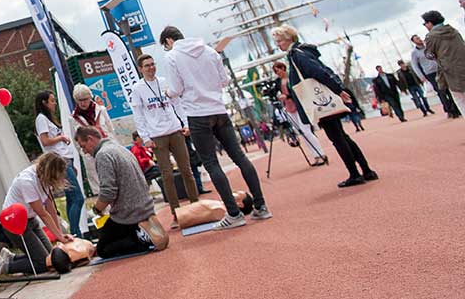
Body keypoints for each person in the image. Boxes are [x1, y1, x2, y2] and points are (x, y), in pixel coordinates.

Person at [160, 25, 271, 229]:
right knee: (239, 157)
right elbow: (224, 80)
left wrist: (168, 93)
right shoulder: (209, 50)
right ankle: (261, 205)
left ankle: (233, 213)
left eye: (165, 46)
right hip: (219, 109)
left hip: (196, 113)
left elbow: (176, 89)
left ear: (168, 41)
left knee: (211, 163)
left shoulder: (172, 57)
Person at [272, 26, 378, 188]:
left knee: (337, 138)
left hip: (320, 101)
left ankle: (355, 174)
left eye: (279, 41)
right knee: (342, 136)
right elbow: (322, 70)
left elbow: (318, 72)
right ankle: (366, 170)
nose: (278, 44)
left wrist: (338, 90)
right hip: (324, 98)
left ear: (288, 39)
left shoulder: (297, 55)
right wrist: (338, 88)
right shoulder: (303, 52)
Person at [74, 126, 168, 257]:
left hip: (127, 213)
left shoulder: (103, 155)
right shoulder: (118, 147)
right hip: (145, 206)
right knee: (109, 235)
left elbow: (108, 192)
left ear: (90, 139)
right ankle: (140, 231)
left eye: (83, 146)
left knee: (103, 250)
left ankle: (141, 239)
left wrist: (97, 209)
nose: (84, 151)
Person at [130, 54, 199, 228]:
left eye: (153, 64)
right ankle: (176, 213)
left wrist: (185, 123)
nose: (151, 68)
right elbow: (138, 116)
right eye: (147, 65)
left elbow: (177, 104)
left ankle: (196, 206)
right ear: (140, 69)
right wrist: (145, 138)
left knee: (186, 170)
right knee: (167, 175)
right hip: (157, 136)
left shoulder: (164, 82)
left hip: (175, 130)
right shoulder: (137, 89)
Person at [0, 153, 73, 277]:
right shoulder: (27, 181)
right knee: (43, 264)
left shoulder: (44, 177)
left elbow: (51, 207)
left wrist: (60, 234)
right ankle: (5, 267)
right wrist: (59, 237)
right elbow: (42, 213)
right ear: (49, 171)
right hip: (14, 223)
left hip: (31, 220)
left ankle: (12, 258)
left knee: (51, 258)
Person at [34, 90, 84, 236]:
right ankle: (76, 232)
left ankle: (74, 232)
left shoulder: (48, 119)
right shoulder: (41, 119)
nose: (54, 103)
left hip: (65, 159)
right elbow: (45, 140)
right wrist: (61, 138)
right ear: (44, 103)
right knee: (78, 197)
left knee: (71, 196)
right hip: (59, 160)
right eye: (52, 101)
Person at [271, 61, 328, 166]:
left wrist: (287, 97)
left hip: (299, 106)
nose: (277, 73)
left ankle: (321, 153)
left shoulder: (292, 78)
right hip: (289, 108)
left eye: (278, 70)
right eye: (275, 72)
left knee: (306, 131)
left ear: (283, 68)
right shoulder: (278, 82)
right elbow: (274, 92)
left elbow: (299, 92)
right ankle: (315, 155)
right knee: (301, 132)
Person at [71, 83, 114, 194]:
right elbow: (76, 140)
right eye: (79, 100)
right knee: (98, 184)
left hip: (107, 149)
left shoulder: (101, 110)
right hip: (90, 155)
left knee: (113, 177)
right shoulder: (73, 118)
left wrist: (113, 146)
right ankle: (104, 209)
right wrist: (84, 154)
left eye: (85, 99)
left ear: (90, 97)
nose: (82, 103)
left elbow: (110, 129)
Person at [422, 10, 465, 117]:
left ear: (430, 23)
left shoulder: (431, 36)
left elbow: (429, 54)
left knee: (460, 99)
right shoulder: (453, 30)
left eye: (425, 23)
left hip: (450, 71)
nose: (425, 26)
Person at [412, 33, 461, 118]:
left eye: (419, 37)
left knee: (449, 89)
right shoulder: (415, 53)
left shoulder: (428, 46)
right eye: (416, 39)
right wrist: (421, 77)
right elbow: (415, 66)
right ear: (413, 42)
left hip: (440, 70)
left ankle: (455, 108)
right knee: (441, 91)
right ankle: (449, 110)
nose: (419, 39)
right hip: (430, 74)